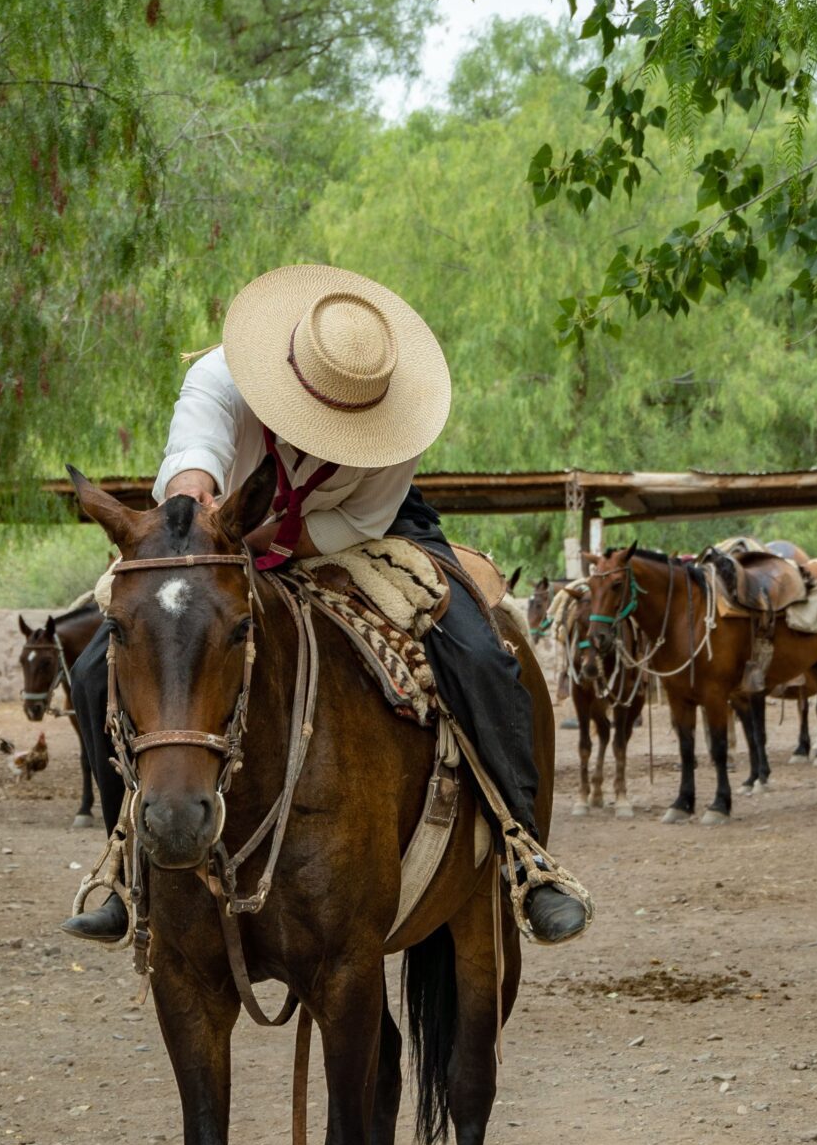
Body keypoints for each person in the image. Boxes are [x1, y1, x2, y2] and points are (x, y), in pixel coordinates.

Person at [62, 264, 591, 946]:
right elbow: (191, 467)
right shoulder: (219, 377)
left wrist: (252, 538)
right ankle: (126, 866)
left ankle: (527, 853)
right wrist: (200, 519)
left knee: (480, 652)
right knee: (98, 667)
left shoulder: (399, 427)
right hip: (219, 526)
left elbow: (345, 527)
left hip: (360, 527)